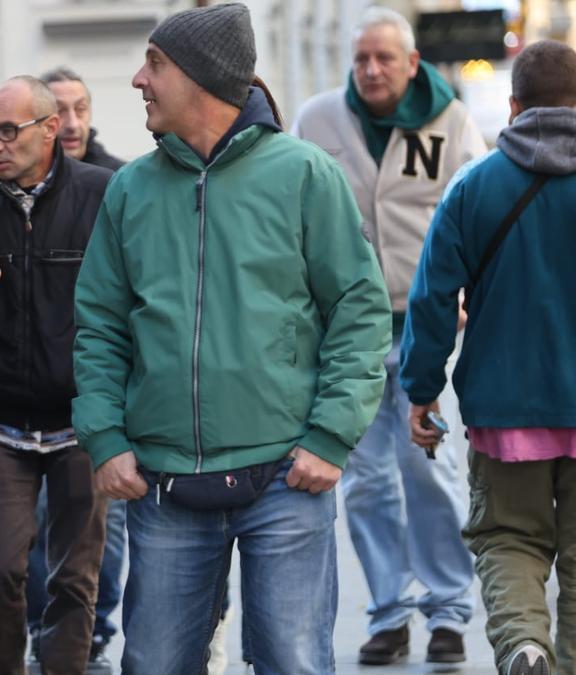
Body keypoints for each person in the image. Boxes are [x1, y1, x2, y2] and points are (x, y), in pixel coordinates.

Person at [72, 5, 391, 673]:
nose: (138, 80)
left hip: (286, 477)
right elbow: (98, 325)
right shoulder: (131, 189)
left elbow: (360, 310)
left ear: (201, 78)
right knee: (155, 664)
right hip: (161, 483)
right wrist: (105, 438)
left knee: (293, 662)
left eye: (154, 64)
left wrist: (330, 435)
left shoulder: (304, 174)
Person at [291, 7, 485, 664]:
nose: (371, 70)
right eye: (361, 59)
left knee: (427, 467)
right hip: (345, 332)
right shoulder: (318, 120)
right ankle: (388, 611)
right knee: (366, 479)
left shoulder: (451, 121)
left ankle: (449, 608)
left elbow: (480, 210)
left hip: (425, 324)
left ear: (410, 62)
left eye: (383, 58)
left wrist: (466, 289)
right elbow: (290, 214)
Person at [400, 39, 576, 675]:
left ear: (514, 105)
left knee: (508, 538)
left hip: (505, 411)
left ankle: (526, 647)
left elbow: (432, 298)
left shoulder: (474, 186)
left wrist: (421, 390)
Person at [0, 75, 112, 675]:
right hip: (0, 418)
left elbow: (134, 301)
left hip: (83, 418)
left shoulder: (103, 196)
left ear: (50, 128)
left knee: (75, 577)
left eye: (8, 131)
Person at [23, 65, 127, 672]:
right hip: (37, 394)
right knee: (38, 531)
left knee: (102, 535)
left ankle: (92, 635)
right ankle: (50, 636)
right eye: (58, 110)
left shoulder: (120, 183)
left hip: (104, 391)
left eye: (80, 106)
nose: (72, 121)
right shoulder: (13, 193)